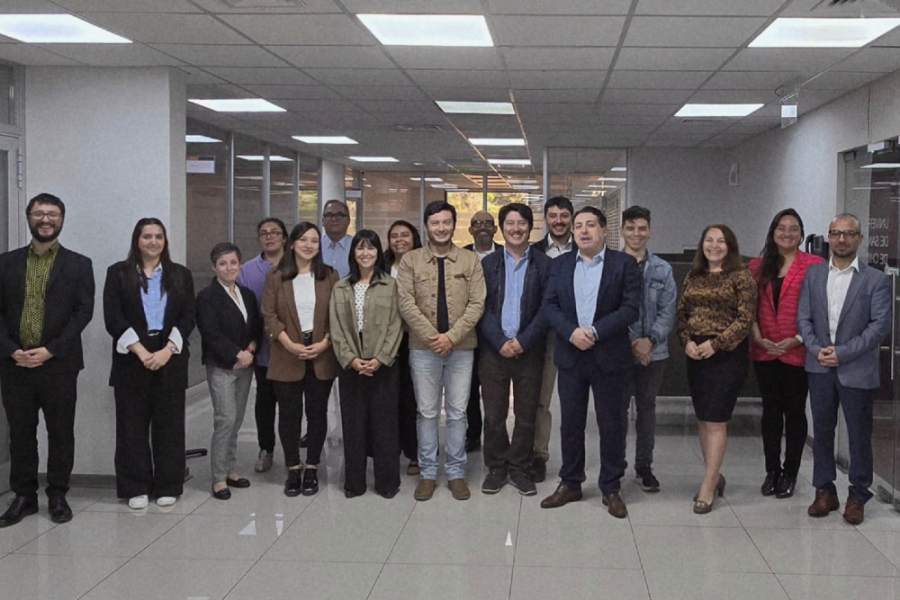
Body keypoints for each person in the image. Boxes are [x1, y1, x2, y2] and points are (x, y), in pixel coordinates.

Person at [0, 193, 94, 528]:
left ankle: (57, 494)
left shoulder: (79, 264)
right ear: (28, 218)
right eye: (38, 213)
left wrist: (50, 350)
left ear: (62, 219)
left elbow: (83, 312)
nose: (45, 219)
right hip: (14, 365)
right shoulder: (5, 262)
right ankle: (24, 496)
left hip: (59, 364)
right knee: (21, 434)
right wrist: (12, 350)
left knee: (60, 432)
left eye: (52, 214)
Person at [540, 207, 640, 519]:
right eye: (578, 225)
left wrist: (595, 332)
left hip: (609, 356)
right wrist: (571, 332)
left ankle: (610, 486)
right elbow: (549, 305)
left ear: (603, 230)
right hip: (571, 355)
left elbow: (630, 309)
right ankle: (571, 483)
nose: (583, 231)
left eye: (590, 225)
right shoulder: (560, 264)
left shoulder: (624, 264)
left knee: (611, 424)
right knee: (571, 423)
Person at [798, 213, 891, 525]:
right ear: (829, 237)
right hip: (819, 366)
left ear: (859, 239)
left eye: (848, 234)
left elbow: (879, 327)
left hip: (857, 370)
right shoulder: (813, 276)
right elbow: (804, 319)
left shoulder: (876, 280)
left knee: (858, 435)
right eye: (836, 234)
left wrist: (842, 353)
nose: (841, 239)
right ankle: (824, 490)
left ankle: (858, 495)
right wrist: (816, 349)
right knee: (822, 432)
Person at [103, 218, 195, 510]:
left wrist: (168, 350)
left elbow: (187, 316)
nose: (153, 241)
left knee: (170, 426)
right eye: (147, 236)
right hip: (132, 356)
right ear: (137, 240)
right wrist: (141, 352)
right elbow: (113, 317)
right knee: (132, 427)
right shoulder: (117, 273)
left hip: (170, 355)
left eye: (158, 236)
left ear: (165, 241)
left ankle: (168, 484)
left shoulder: (180, 275)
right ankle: (136, 486)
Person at [397, 201, 485, 502]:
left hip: (462, 349)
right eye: (435, 223)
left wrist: (452, 337)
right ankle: (428, 473)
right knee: (427, 412)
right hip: (423, 349)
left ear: (453, 225)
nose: (441, 228)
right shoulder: (410, 261)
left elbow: (477, 304)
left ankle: (457, 472)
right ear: (426, 226)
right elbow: (406, 303)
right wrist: (434, 337)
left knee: (459, 413)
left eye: (446, 222)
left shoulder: (470, 260)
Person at [676, 224, 756, 515]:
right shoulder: (694, 275)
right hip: (695, 354)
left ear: (730, 246)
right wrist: (686, 341)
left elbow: (745, 320)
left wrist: (717, 344)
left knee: (716, 420)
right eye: (709, 240)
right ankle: (715, 474)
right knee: (703, 417)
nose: (714, 246)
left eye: (720, 241)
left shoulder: (741, 277)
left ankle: (709, 485)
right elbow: (682, 313)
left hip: (727, 355)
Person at [749, 209, 823, 500]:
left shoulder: (815, 265)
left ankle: (790, 473)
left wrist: (797, 339)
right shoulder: (757, 266)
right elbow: (749, 306)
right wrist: (757, 336)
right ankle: (772, 471)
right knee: (770, 412)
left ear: (801, 234)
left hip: (798, 350)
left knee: (794, 412)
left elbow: (821, 311)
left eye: (794, 229)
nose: (787, 233)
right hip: (764, 348)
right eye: (782, 228)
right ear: (773, 232)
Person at [262, 222, 339, 497]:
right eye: (303, 239)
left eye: (315, 241)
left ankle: (313, 466)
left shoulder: (330, 275)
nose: (309, 245)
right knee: (289, 415)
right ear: (292, 243)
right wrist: (288, 344)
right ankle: (293, 467)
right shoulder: (276, 276)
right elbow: (269, 315)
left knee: (317, 414)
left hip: (322, 352)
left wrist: (324, 343)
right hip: (287, 352)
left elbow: (338, 315)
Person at [478, 203, 550, 496]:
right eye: (510, 223)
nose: (516, 229)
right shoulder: (487, 264)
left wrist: (523, 340)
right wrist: (500, 340)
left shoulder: (545, 264)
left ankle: (519, 466)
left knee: (526, 413)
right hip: (493, 350)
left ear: (529, 228)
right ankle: (496, 466)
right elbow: (479, 306)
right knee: (494, 413)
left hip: (529, 350)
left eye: (522, 223)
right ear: (502, 228)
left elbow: (548, 308)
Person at [330, 230, 403, 498]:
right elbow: (336, 327)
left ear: (377, 252)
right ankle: (354, 483)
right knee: (353, 425)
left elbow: (397, 325)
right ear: (353, 253)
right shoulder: (341, 287)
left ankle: (387, 483)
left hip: (383, 365)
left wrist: (380, 359)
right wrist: (350, 359)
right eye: (360, 248)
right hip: (351, 365)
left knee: (385, 426)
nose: (365, 253)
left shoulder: (391, 285)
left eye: (371, 248)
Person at [196, 242, 262, 500]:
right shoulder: (207, 296)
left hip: (246, 365)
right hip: (223, 366)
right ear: (214, 267)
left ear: (240, 265)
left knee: (236, 420)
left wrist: (251, 350)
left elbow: (255, 326)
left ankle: (232, 469)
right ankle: (219, 478)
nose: (229, 268)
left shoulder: (246, 294)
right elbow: (210, 333)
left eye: (233, 263)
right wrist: (237, 354)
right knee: (224, 419)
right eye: (223, 264)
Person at [621, 206, 677, 493]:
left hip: (655, 352)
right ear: (622, 231)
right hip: (619, 350)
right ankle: (616, 465)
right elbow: (611, 308)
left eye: (642, 228)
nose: (636, 234)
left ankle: (644, 466)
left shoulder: (662, 269)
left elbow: (668, 311)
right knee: (617, 410)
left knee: (647, 409)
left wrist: (649, 340)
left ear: (649, 231)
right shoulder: (612, 265)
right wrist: (633, 341)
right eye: (630, 228)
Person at [529, 195, 575, 482]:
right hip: (544, 336)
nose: (558, 221)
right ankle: (539, 455)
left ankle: (573, 457)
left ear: (571, 218)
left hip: (576, 337)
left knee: (573, 402)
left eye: (564, 216)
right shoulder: (534, 252)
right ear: (545, 219)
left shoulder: (587, 248)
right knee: (541, 401)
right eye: (553, 216)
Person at [237, 218, 289, 474]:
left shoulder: (296, 265)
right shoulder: (247, 270)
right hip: (263, 349)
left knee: (292, 403)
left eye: (275, 233)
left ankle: (296, 450)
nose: (269, 237)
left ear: (284, 237)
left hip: (292, 348)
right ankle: (266, 449)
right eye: (264, 233)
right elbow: (244, 311)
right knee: (265, 402)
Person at [385, 219, 423, 475]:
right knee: (389, 399)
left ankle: (414, 452)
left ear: (414, 238)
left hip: (416, 339)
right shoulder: (381, 267)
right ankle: (388, 449)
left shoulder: (423, 262)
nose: (399, 240)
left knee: (414, 399)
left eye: (404, 235)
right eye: (394, 236)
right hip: (387, 342)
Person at [463, 211, 503, 453]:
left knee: (494, 392)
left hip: (495, 333)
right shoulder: (460, 256)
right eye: (477, 223)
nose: (483, 227)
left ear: (495, 229)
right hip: (467, 332)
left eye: (488, 223)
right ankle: (473, 435)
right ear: (470, 230)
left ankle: (495, 438)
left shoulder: (505, 255)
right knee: (469, 391)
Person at [321, 199, 353, 278]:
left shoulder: (356, 245)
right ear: (323, 221)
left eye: (339, 215)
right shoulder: (315, 245)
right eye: (329, 215)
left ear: (348, 220)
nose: (334, 219)